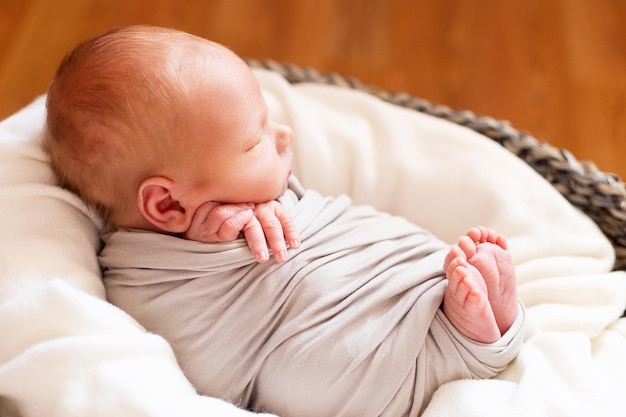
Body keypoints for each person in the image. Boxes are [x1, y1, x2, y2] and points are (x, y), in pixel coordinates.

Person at [44, 25, 525, 417]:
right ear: (168, 206)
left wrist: (272, 208)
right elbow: (204, 369)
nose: (283, 134)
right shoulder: (141, 278)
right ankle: (460, 344)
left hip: (380, 273)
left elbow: (324, 226)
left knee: (398, 257)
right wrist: (218, 259)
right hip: (332, 346)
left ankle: (456, 314)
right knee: (309, 374)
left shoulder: (265, 194)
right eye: (254, 141)